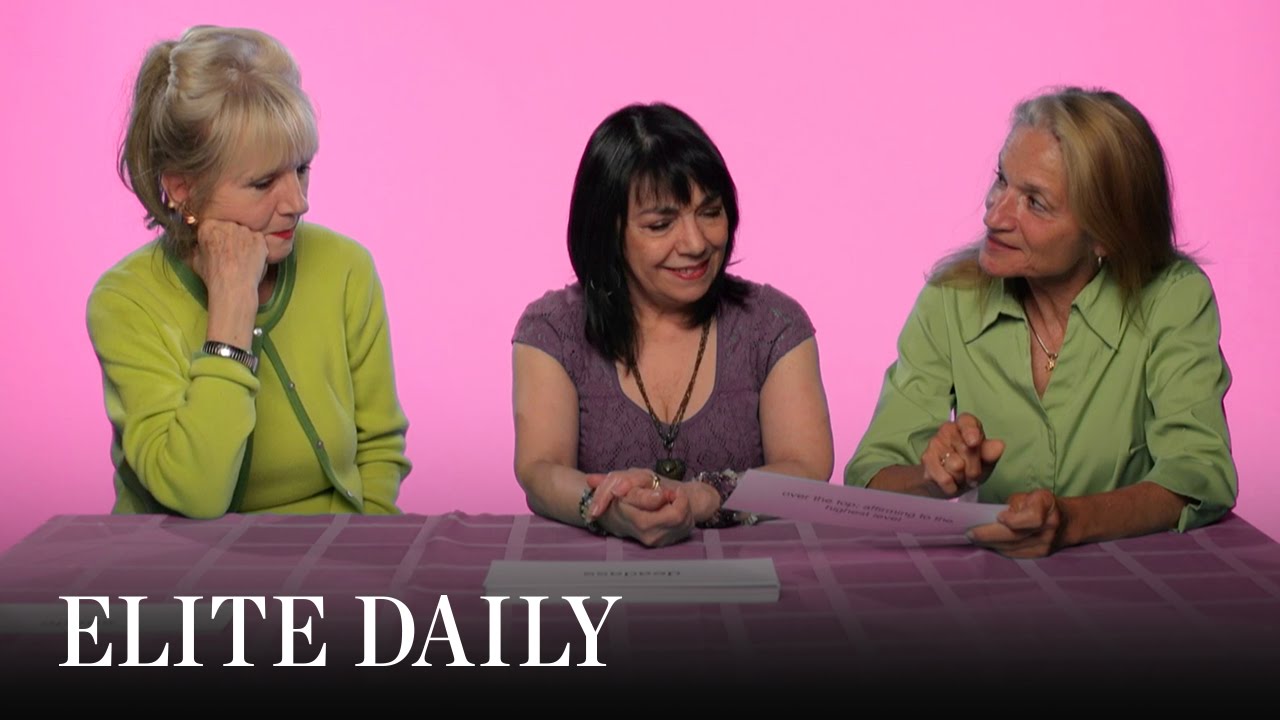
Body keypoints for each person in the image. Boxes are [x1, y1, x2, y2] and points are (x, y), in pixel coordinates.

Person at [845, 87, 1236, 557]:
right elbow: (870, 477)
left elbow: (1198, 473)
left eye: (1035, 202)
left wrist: (1069, 521)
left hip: (1130, 581)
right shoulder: (950, 297)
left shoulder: (1173, 298)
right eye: (1001, 180)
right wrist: (931, 479)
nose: (994, 215)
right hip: (986, 580)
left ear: (1106, 234)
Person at [89, 26, 410, 517]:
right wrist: (231, 310)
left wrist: (365, 550)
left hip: (336, 554)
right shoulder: (125, 302)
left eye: (301, 169)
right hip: (181, 562)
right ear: (183, 189)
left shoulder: (347, 268)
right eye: (263, 183)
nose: (298, 203)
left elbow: (380, 449)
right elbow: (195, 493)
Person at [513, 103, 833, 547]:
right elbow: (540, 470)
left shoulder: (774, 325)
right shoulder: (552, 330)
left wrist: (702, 498)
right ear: (608, 232)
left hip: (753, 581)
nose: (696, 243)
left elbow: (807, 470)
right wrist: (609, 509)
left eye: (710, 212)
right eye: (661, 224)